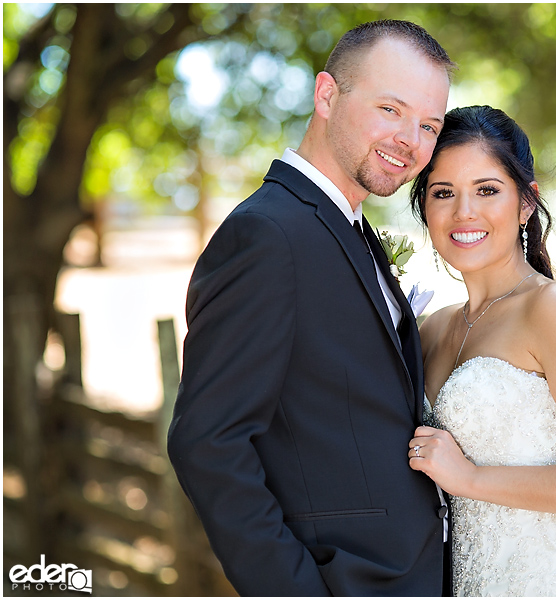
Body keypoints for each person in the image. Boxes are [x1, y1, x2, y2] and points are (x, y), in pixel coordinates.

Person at [167, 20, 454, 595]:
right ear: (327, 95)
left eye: (429, 124)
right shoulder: (268, 235)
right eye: (390, 110)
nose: (411, 140)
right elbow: (208, 442)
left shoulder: (348, 227)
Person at [407, 105, 556, 597]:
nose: (464, 212)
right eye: (443, 192)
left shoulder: (555, 310)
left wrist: (469, 478)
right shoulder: (431, 329)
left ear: (526, 203)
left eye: (487, 190)